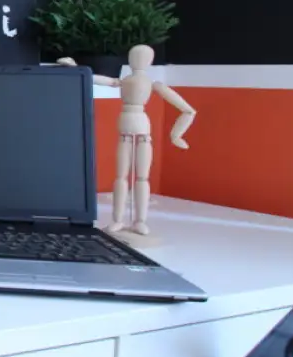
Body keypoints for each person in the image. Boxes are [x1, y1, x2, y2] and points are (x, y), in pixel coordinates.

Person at [58, 45, 195, 235]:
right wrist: (76, 68)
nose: (137, 60)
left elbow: (188, 110)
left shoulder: (152, 84)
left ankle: (139, 221)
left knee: (141, 178)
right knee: (121, 177)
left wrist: (176, 135)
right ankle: (118, 220)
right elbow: (96, 79)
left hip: (142, 132)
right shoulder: (125, 81)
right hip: (126, 130)